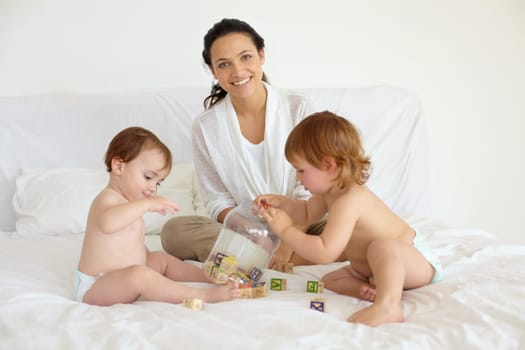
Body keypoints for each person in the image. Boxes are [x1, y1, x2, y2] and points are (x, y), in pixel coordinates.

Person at [161, 18, 334, 268]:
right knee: (174, 232)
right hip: (246, 229)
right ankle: (292, 255)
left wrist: (286, 244)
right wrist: (254, 233)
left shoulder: (298, 107)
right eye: (224, 64)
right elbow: (217, 201)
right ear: (213, 71)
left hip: (305, 220)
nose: (238, 72)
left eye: (245, 57)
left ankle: (260, 257)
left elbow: (314, 190)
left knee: (355, 228)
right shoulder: (206, 127)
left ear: (261, 55)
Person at [254, 111, 442, 327]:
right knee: (331, 280)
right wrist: (281, 203)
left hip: (412, 262)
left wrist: (286, 230)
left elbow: (325, 251)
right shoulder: (329, 192)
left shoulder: (350, 199)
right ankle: (372, 291)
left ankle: (389, 305)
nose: (297, 177)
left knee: (382, 248)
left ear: (328, 165)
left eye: (301, 170)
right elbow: (306, 213)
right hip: (370, 270)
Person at [75, 126, 240, 306]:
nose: (153, 188)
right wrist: (146, 204)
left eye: (158, 182)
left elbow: (129, 244)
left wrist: (144, 255)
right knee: (140, 275)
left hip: (124, 279)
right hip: (98, 286)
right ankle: (205, 296)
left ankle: (211, 277)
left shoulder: (128, 204)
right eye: (148, 177)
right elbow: (108, 223)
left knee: (160, 259)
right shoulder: (107, 199)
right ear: (118, 166)